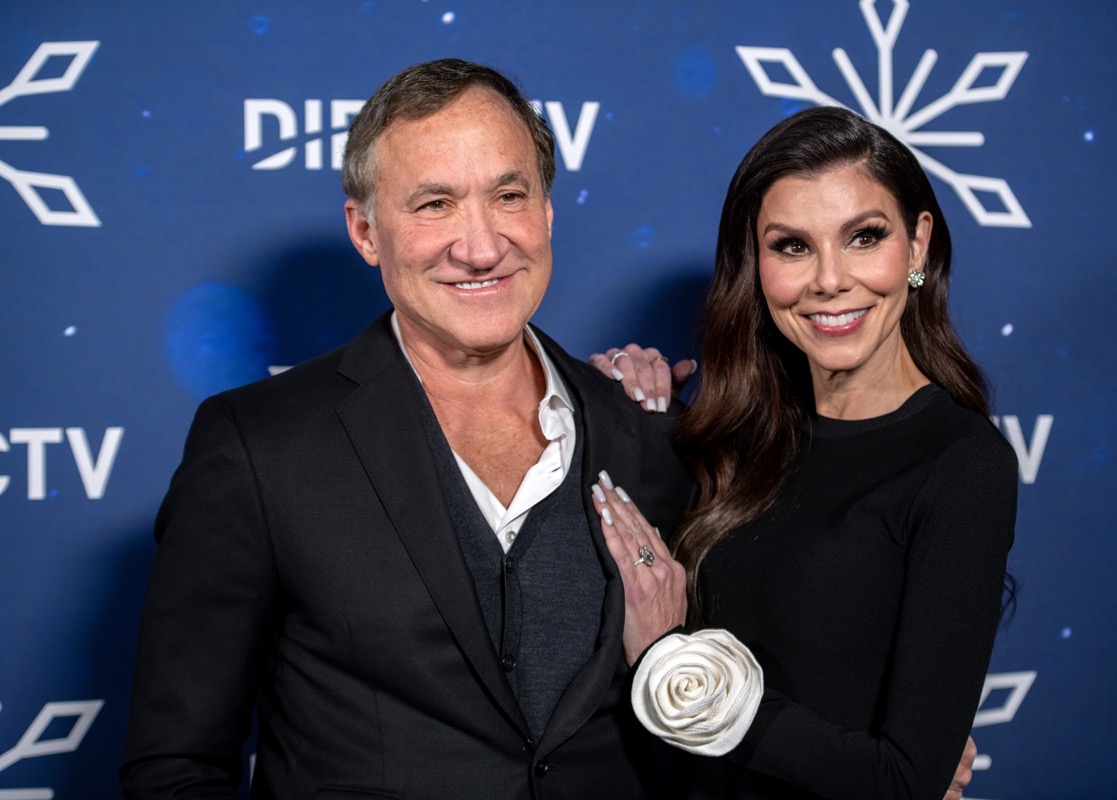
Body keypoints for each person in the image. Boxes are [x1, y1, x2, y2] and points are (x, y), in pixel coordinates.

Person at [119, 58, 694, 798]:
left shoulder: (646, 429)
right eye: (434, 205)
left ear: (547, 212)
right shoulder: (259, 446)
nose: (481, 246)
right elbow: (177, 764)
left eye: (508, 195)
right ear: (365, 230)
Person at [589, 106, 1017, 799]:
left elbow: (903, 782)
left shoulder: (962, 464)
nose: (829, 280)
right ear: (755, 264)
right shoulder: (731, 438)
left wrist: (678, 669)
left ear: (917, 246)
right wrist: (616, 407)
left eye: (863, 238)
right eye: (792, 246)